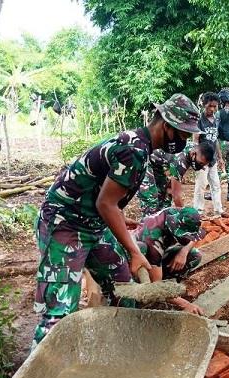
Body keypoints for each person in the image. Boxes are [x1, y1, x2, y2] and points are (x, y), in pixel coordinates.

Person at [31, 93, 201, 349]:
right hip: (64, 223)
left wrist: (120, 218)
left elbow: (106, 198)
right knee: (60, 310)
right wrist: (134, 251)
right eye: (182, 135)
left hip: (93, 223)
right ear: (166, 126)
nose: (184, 142)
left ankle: (117, 349)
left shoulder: (140, 146)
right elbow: (105, 203)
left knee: (124, 287)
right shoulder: (134, 149)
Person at [137, 99, 208, 216]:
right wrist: (187, 218)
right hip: (148, 163)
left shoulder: (191, 151)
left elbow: (170, 189)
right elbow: (177, 196)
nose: (184, 140)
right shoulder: (181, 160)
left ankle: (160, 224)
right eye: (183, 135)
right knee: (151, 201)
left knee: (165, 200)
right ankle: (148, 228)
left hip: (159, 167)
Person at [133, 206, 206, 315]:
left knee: (195, 255)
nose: (187, 240)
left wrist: (184, 252)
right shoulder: (152, 239)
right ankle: (142, 295)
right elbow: (156, 284)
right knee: (153, 289)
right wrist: (186, 304)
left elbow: (196, 235)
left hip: (160, 255)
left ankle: (169, 290)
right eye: (184, 238)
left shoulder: (178, 214)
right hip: (139, 261)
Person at [193, 92, 227, 216]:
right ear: (204, 105)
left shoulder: (216, 119)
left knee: (216, 184)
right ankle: (198, 211)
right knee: (201, 185)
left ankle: (218, 209)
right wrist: (196, 159)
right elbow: (195, 140)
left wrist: (220, 157)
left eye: (215, 106)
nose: (212, 109)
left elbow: (215, 140)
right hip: (202, 159)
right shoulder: (199, 120)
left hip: (212, 158)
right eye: (209, 106)